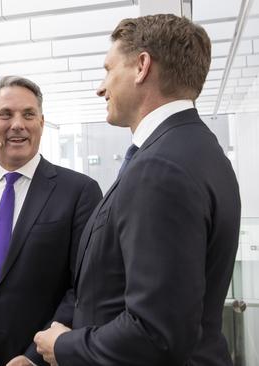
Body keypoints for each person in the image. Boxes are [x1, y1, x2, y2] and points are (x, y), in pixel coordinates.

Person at [34, 14, 241, 366]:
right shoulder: (198, 149)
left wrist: (64, 346)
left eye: (108, 69)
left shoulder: (160, 167)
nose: (101, 87)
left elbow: (155, 333)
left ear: (142, 66)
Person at [0, 76, 102, 366]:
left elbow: (85, 286)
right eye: (6, 114)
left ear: (41, 122)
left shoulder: (79, 192)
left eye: (28, 114)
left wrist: (33, 357)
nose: (18, 124)